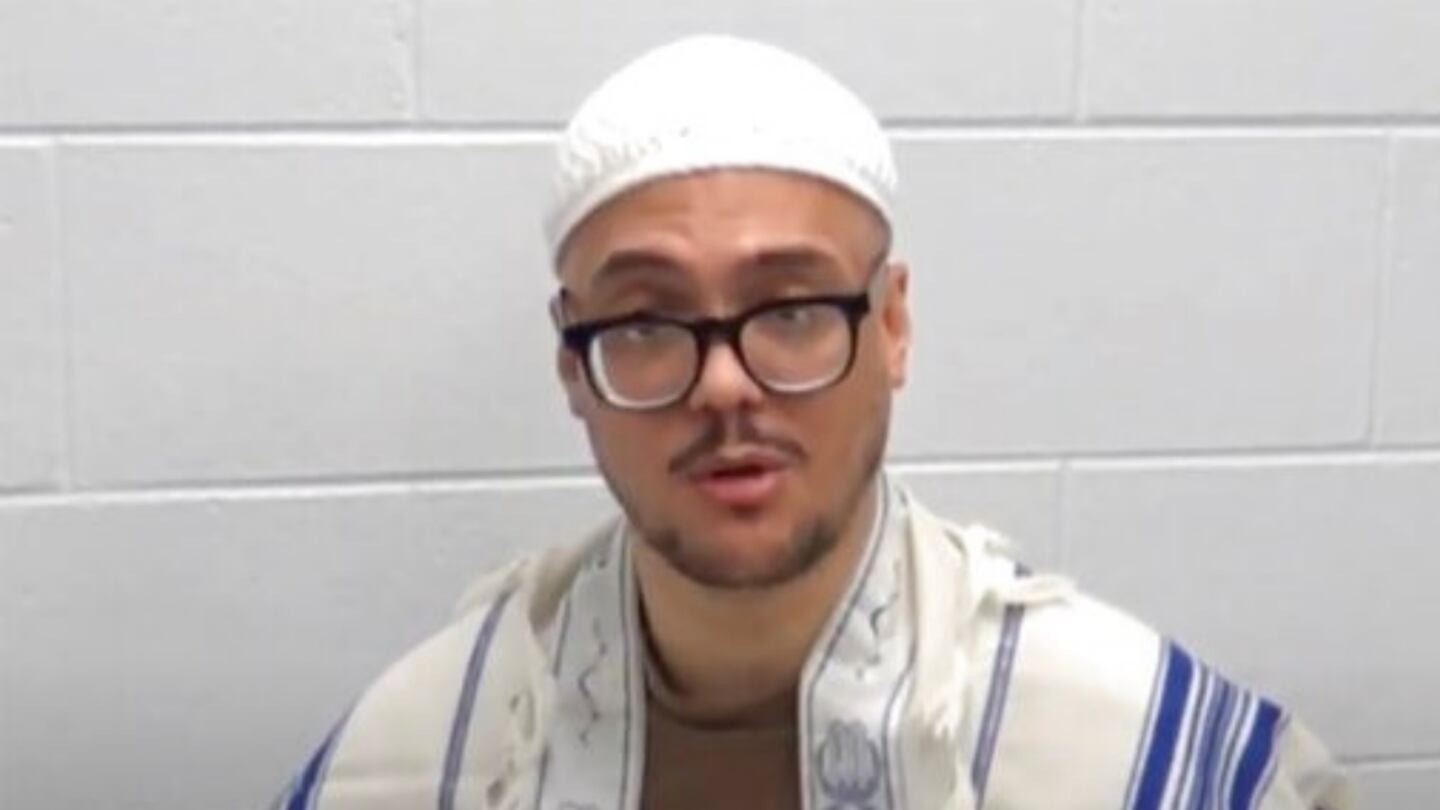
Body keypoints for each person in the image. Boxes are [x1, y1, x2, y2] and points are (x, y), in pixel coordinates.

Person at [272, 35, 1354, 810]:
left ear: (892, 327)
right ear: (572, 363)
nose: (724, 387)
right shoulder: (422, 750)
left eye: (791, 311)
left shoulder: (1144, 754)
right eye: (646, 320)